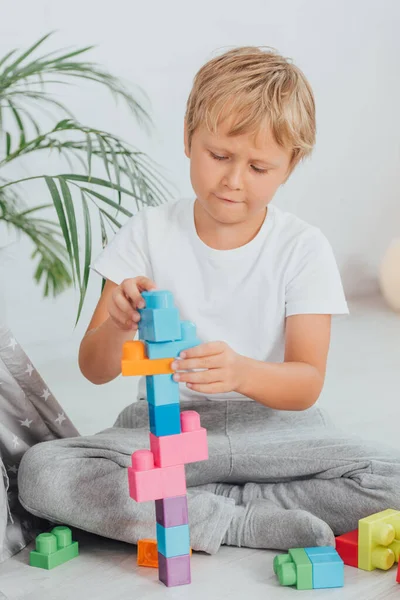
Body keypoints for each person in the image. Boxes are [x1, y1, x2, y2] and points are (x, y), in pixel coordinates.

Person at [18, 46, 400, 554]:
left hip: (276, 432)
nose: (233, 180)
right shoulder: (146, 235)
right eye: (219, 155)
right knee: (44, 472)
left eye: (259, 167)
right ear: (188, 138)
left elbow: (306, 382)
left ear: (290, 166)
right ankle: (241, 520)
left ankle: (195, 507)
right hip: (164, 431)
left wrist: (243, 373)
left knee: (389, 476)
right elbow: (95, 368)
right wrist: (115, 324)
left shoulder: (303, 248)